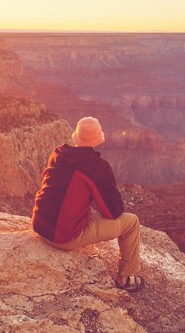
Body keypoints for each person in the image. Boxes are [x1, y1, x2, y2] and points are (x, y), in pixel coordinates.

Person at [31, 116, 144, 292]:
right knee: (131, 222)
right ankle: (125, 279)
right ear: (98, 137)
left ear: (76, 135)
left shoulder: (58, 153)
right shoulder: (96, 167)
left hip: (40, 225)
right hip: (63, 238)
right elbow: (112, 212)